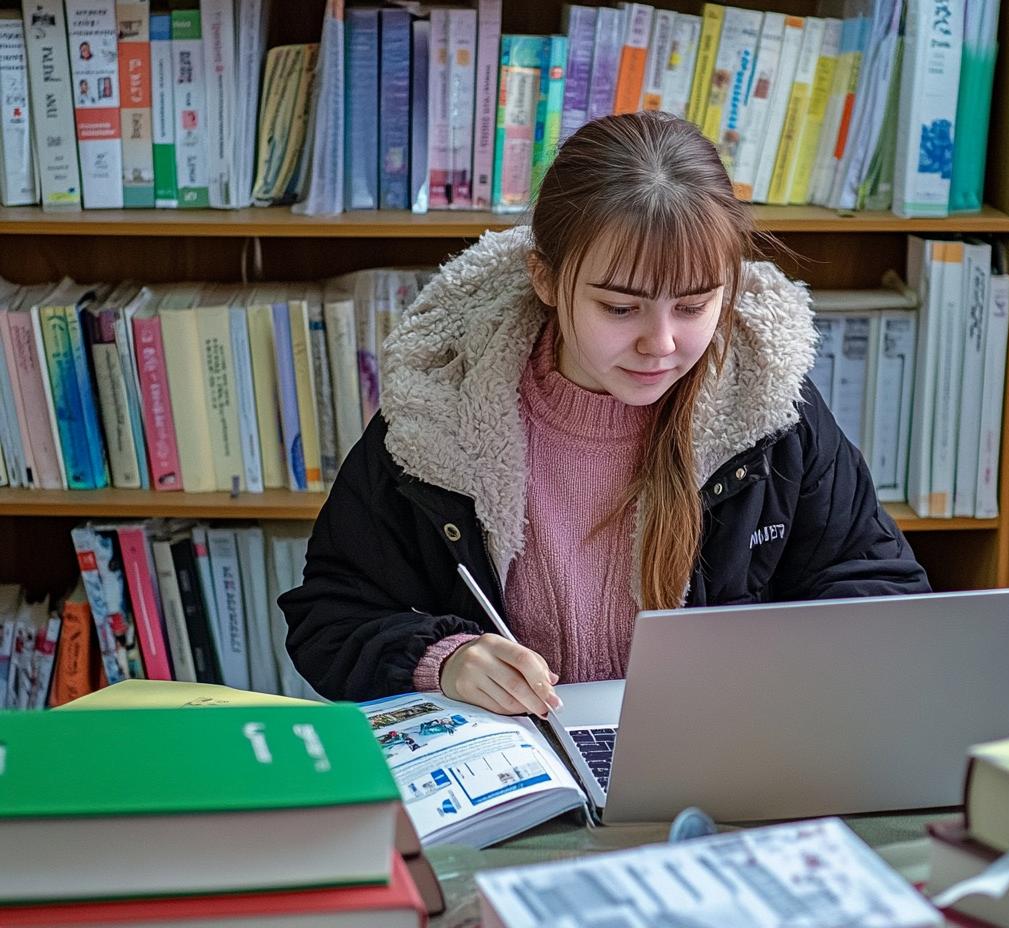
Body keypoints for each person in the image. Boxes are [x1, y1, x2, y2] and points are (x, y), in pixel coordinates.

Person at [280, 111, 929, 717]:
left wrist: (773, 667)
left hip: (712, 755)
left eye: (695, 305)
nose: (662, 343)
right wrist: (443, 660)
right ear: (545, 278)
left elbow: (885, 593)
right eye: (620, 309)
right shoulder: (438, 408)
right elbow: (331, 615)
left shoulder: (770, 409)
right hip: (519, 767)